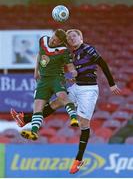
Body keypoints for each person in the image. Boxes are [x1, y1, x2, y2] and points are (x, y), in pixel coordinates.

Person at [11, 29, 121, 174]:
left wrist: (112, 84)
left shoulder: (88, 49)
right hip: (77, 86)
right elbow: (74, 70)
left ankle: (79, 159)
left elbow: (103, 64)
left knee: (83, 123)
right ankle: (25, 119)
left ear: (81, 37)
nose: (71, 39)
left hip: (89, 90)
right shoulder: (69, 54)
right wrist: (71, 77)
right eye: (69, 38)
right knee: (56, 102)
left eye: (74, 36)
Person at [17, 29, 79, 141]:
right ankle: (34, 132)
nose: (53, 41)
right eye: (53, 38)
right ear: (52, 34)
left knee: (62, 97)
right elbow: (40, 55)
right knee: (38, 108)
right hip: (43, 80)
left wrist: (74, 73)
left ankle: (74, 118)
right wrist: (36, 71)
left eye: (56, 41)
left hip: (57, 78)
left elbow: (70, 66)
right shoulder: (43, 40)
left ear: (60, 42)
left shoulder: (63, 50)